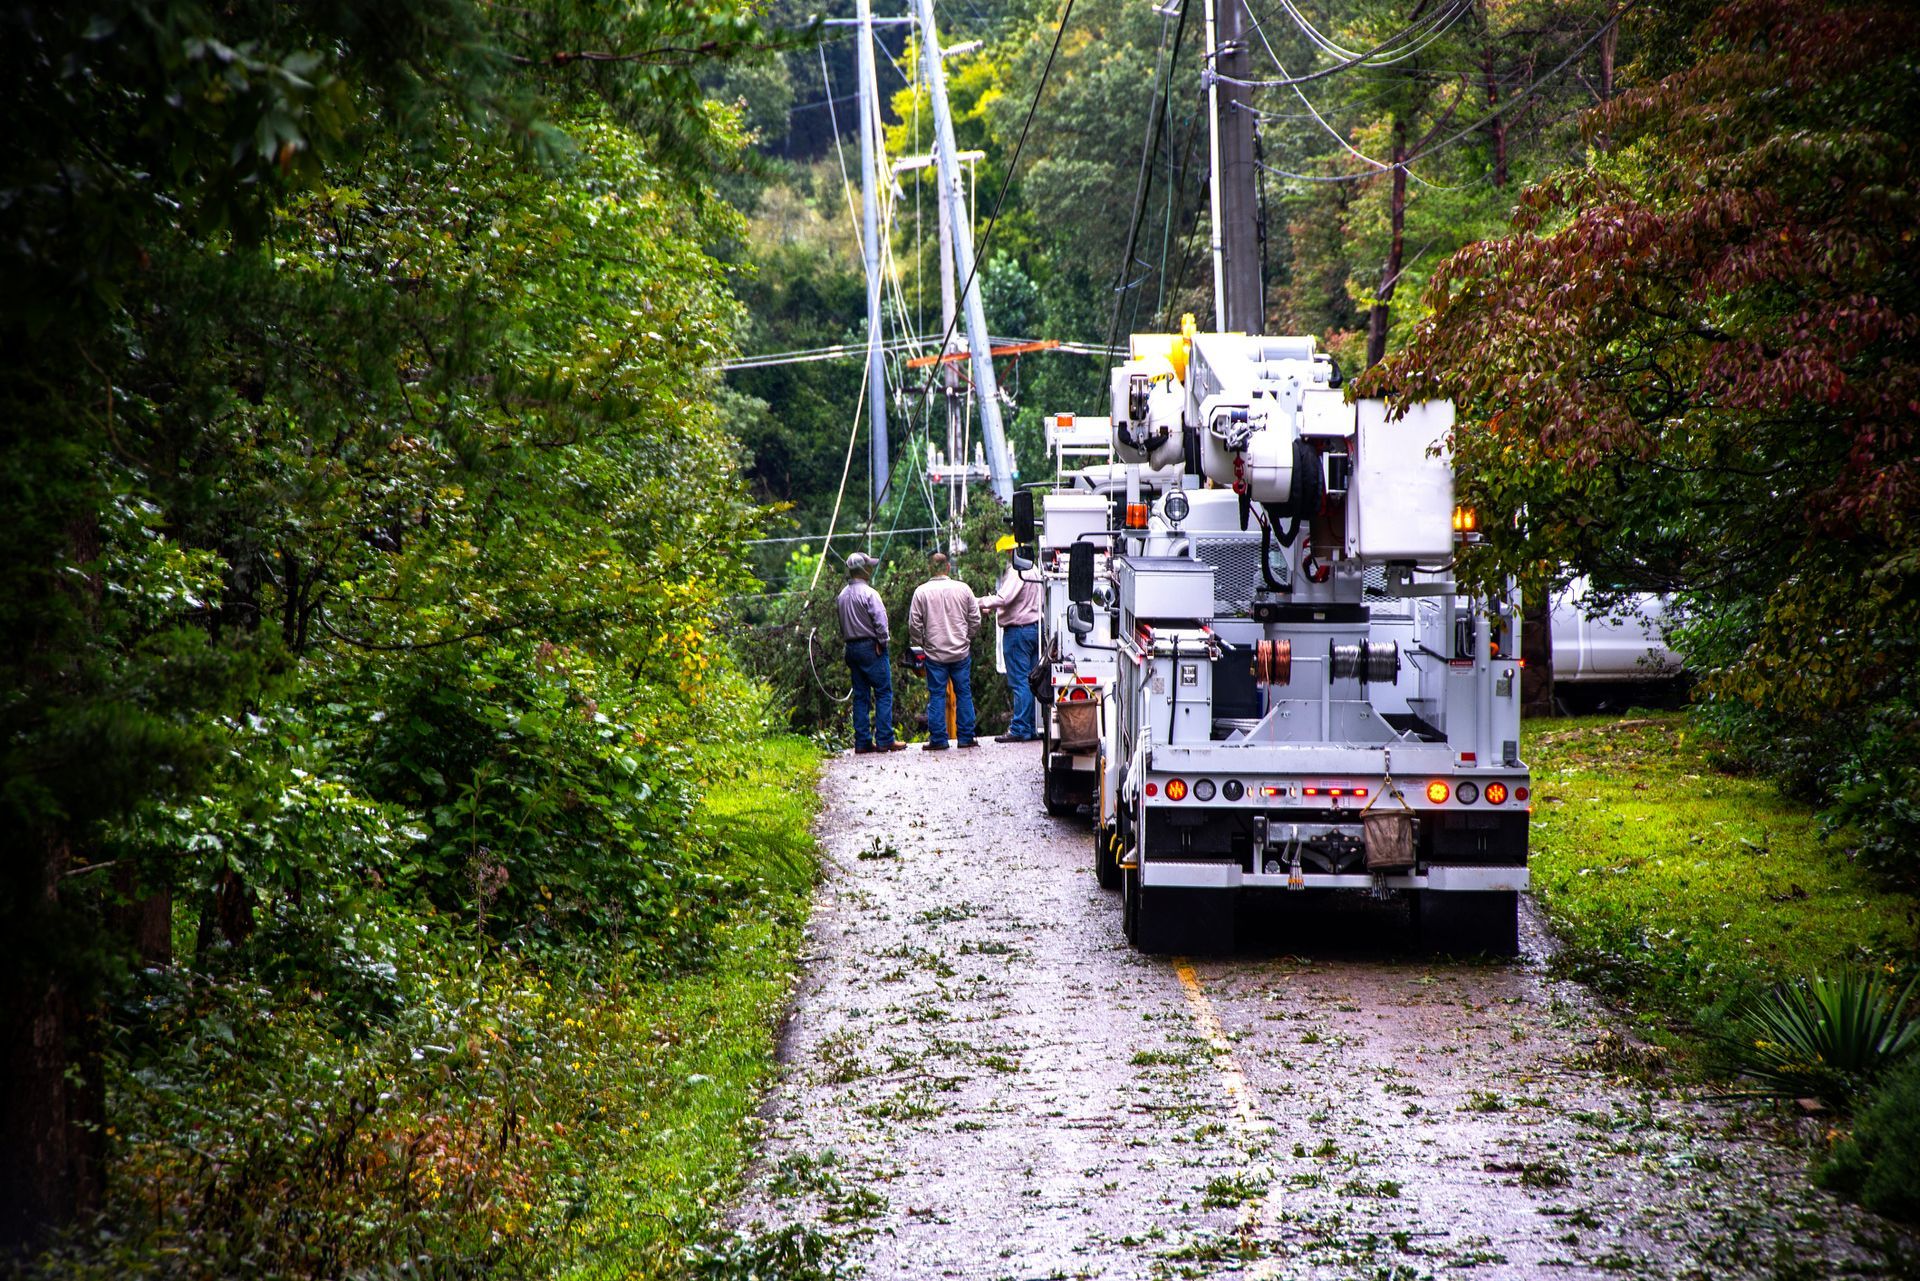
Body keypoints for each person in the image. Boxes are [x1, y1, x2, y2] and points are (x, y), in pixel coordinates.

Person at [907, 551, 982, 750]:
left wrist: (922, 642)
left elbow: (914, 624)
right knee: (964, 693)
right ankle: (966, 737)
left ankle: (939, 739)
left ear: (930, 568)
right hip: (960, 652)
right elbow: (975, 618)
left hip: (935, 654)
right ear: (948, 567)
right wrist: (967, 638)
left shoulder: (921, 592)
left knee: (937, 695)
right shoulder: (963, 588)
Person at [836, 552, 905, 754]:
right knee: (883, 692)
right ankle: (884, 739)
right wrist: (882, 643)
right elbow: (881, 622)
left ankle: (862, 742)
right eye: (869, 566)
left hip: (851, 648)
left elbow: (841, 625)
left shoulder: (842, 596)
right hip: (871, 647)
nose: (871, 569)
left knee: (860, 696)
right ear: (864, 570)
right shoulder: (869, 594)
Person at [977, 534, 1043, 742]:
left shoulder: (1018, 570)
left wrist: (978, 602)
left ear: (1016, 551)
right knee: (1031, 682)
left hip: (1018, 632)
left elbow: (1004, 598)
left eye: (1009, 552)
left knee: (1020, 681)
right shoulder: (1034, 569)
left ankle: (1020, 728)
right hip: (1034, 629)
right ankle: (1030, 726)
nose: (1007, 556)